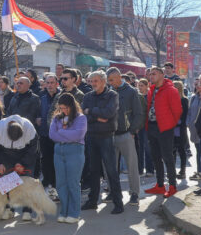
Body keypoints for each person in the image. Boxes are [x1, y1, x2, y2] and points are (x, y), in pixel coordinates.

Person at [80, 71, 124, 214]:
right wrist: (97, 115)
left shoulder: (112, 95)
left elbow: (109, 114)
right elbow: (83, 116)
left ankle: (118, 202)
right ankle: (93, 201)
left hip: (106, 136)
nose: (93, 84)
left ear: (104, 81)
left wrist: (91, 112)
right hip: (91, 136)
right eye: (91, 81)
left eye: (96, 81)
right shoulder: (87, 96)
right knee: (93, 170)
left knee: (111, 170)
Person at [0, 114, 40, 221]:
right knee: (7, 183)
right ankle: (9, 209)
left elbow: (33, 149)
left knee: (28, 184)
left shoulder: (29, 128)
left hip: (25, 153)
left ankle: (27, 211)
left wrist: (23, 163)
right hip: (6, 154)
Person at [143, 67, 183, 198]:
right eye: (150, 74)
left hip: (165, 129)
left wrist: (169, 124)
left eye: (154, 74)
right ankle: (160, 185)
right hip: (152, 127)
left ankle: (172, 186)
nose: (151, 76)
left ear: (162, 75)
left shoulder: (171, 90)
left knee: (167, 157)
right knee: (155, 157)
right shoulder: (152, 89)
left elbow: (177, 111)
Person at [106, 68, 144, 206]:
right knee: (110, 165)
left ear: (118, 77)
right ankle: (113, 191)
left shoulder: (131, 91)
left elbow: (139, 113)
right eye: (108, 80)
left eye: (111, 80)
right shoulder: (109, 91)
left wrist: (132, 131)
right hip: (110, 134)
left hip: (126, 134)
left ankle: (134, 193)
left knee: (132, 165)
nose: (109, 83)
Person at [48, 93, 87, 223]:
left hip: (75, 150)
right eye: (61, 108)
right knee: (61, 183)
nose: (63, 110)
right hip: (59, 151)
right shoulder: (56, 118)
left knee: (73, 183)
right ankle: (64, 211)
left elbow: (78, 135)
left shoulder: (80, 118)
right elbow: (52, 135)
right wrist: (66, 134)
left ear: (72, 105)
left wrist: (62, 132)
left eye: (66, 108)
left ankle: (74, 213)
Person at [38, 74, 60, 192]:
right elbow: (38, 111)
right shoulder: (41, 97)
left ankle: (56, 183)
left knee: (56, 160)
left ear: (57, 83)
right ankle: (47, 180)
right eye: (48, 83)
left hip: (58, 134)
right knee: (45, 159)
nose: (50, 85)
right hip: (44, 133)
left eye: (52, 83)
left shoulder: (61, 96)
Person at [172, 81, 190, 179]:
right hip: (172, 129)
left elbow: (185, 115)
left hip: (180, 129)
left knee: (181, 150)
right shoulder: (171, 99)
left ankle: (182, 171)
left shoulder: (184, 100)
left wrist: (178, 123)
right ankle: (172, 170)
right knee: (172, 151)